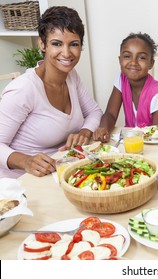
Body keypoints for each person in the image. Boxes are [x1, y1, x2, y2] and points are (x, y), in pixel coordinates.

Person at [0, 6, 103, 179]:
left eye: (74, 44)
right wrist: (26, 161)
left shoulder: (71, 76)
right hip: (23, 182)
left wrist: (85, 132)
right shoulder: (23, 89)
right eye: (57, 44)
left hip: (60, 173)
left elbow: (94, 112)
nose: (67, 53)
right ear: (42, 44)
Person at [93, 32, 158, 143]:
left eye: (141, 58)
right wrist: (103, 128)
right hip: (134, 143)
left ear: (151, 63)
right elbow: (111, 114)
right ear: (120, 60)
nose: (133, 62)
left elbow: (157, 137)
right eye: (127, 56)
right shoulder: (121, 79)